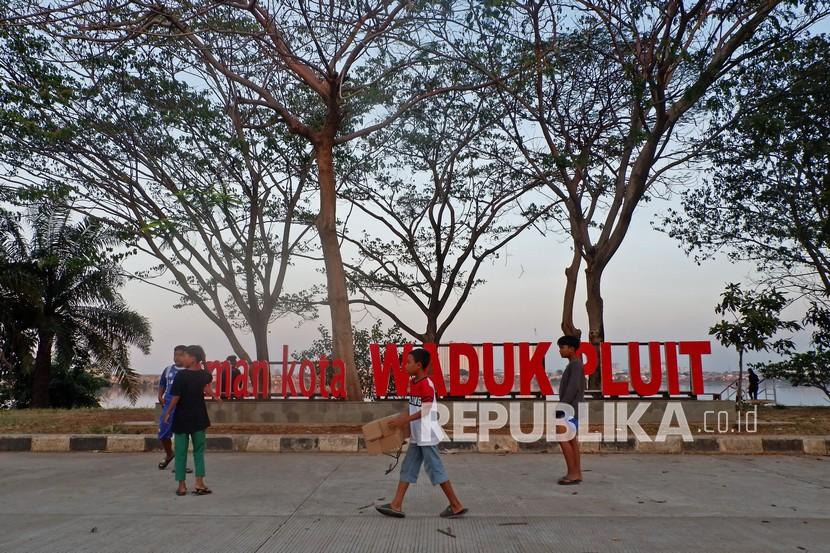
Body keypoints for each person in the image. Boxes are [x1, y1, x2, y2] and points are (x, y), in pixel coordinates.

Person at [376, 348, 467, 519]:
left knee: (435, 469)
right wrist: (407, 429)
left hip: (427, 436)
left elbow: (425, 410)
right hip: (418, 436)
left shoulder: (426, 384)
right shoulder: (415, 382)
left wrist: (404, 421)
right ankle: (396, 504)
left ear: (418, 365)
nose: (406, 365)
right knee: (408, 467)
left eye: (409, 362)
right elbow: (415, 407)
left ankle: (456, 505)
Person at [161, 345, 222, 496]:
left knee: (181, 452)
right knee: (199, 452)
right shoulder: (203, 375)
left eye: (185, 356)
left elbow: (176, 397)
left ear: (193, 359)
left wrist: (167, 413)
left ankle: (182, 486)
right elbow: (208, 377)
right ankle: (199, 484)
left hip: (181, 419)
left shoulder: (180, 376)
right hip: (199, 418)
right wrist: (215, 396)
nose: (182, 358)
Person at [556, 335, 585, 485]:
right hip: (574, 408)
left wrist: (561, 407)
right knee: (571, 440)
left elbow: (573, 388)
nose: (560, 350)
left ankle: (572, 474)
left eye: (562, 347)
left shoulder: (575, 365)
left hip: (570, 409)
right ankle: (577, 473)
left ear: (571, 348)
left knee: (562, 438)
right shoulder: (576, 364)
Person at [157, 345, 186, 470]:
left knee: (182, 435)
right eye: (175, 354)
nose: (177, 357)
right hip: (168, 405)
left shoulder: (188, 371)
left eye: (180, 354)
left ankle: (181, 464)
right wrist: (160, 395)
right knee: (163, 432)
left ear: (186, 356)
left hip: (183, 406)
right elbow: (163, 383)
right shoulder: (168, 370)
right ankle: (169, 454)